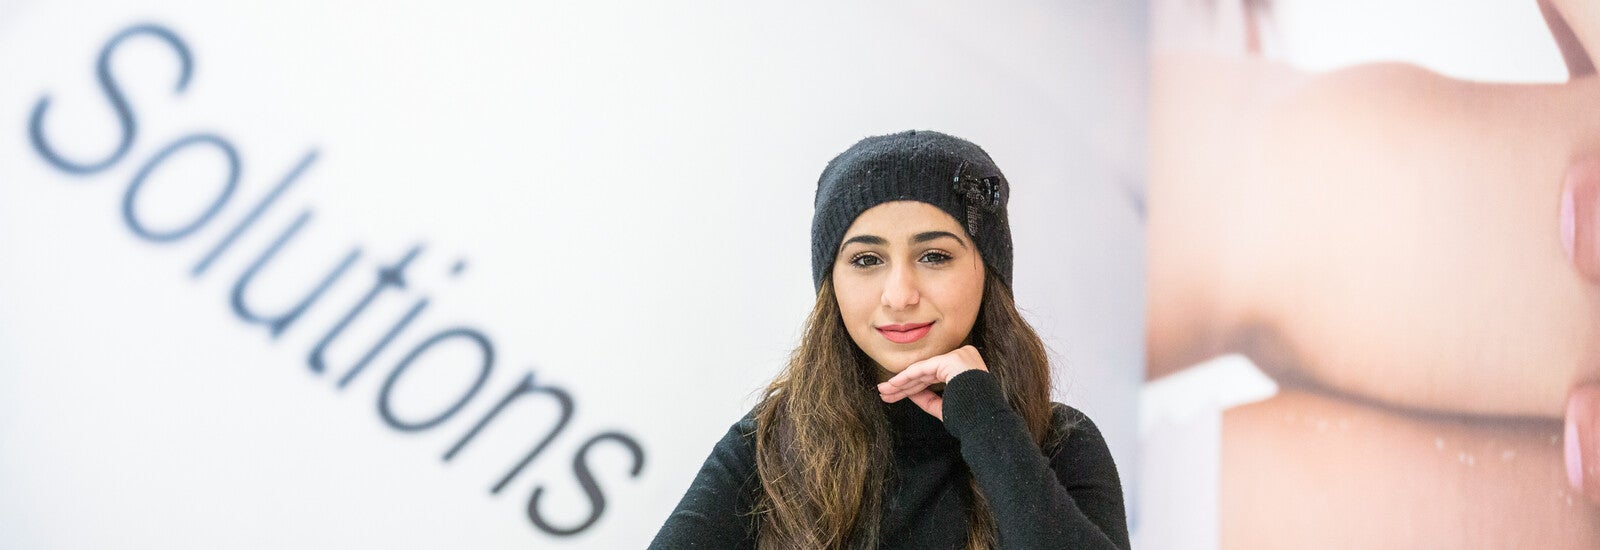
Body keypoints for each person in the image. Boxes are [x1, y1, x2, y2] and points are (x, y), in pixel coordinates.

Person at [648, 130, 1129, 549]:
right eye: (866, 260)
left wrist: (985, 421)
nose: (899, 295)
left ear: (989, 272)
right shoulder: (771, 447)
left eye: (935, 256)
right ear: (831, 284)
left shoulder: (1059, 443)